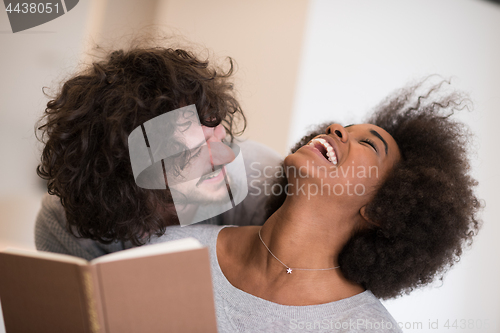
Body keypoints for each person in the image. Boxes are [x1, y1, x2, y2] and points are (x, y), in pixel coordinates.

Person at [149, 80, 481, 332]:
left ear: (382, 210)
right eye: (344, 128)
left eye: (367, 143)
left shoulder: (364, 328)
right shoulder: (170, 247)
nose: (334, 127)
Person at [34, 45, 282, 260]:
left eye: (217, 133)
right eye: (196, 150)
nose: (226, 156)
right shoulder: (63, 219)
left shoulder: (263, 182)